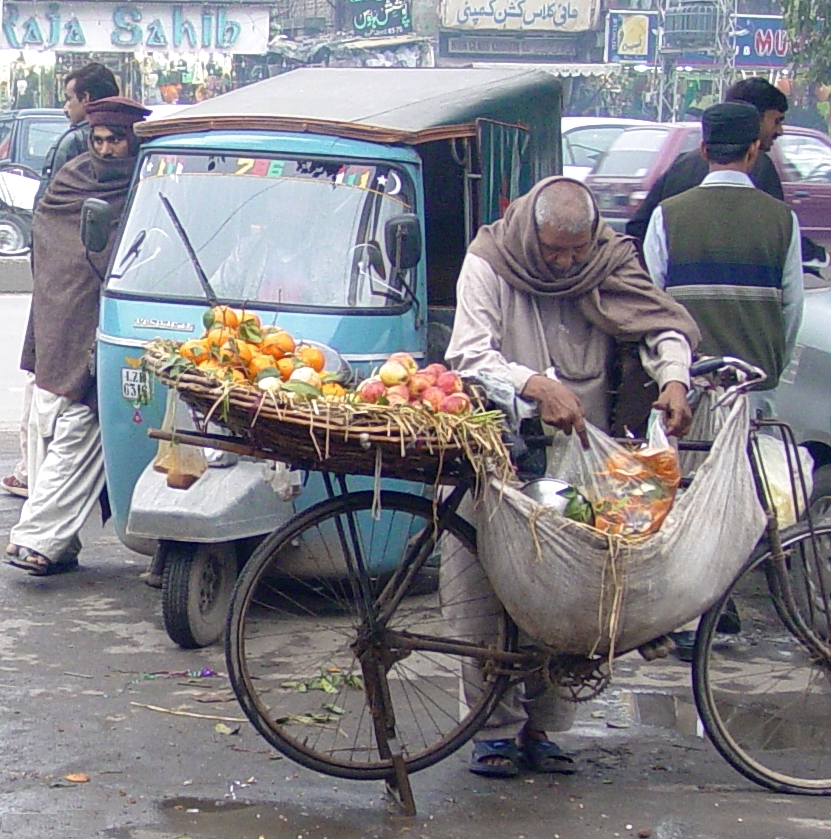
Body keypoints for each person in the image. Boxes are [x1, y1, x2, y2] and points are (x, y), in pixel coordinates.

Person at [442, 176, 701, 777]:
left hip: (587, 457)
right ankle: (492, 731)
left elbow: (660, 323)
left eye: (573, 252)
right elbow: (469, 353)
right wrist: (532, 384)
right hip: (502, 448)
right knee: (489, 596)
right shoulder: (490, 261)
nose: (563, 263)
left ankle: (543, 729)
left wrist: (674, 377)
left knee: (567, 600)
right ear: (532, 231)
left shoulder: (608, 262)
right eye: (553, 250)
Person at [6, 97, 150, 576]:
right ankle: (52, 541)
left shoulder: (145, 185)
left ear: (132, 139)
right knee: (54, 428)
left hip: (116, 326)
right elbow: (52, 245)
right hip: (62, 321)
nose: (107, 150)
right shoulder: (72, 180)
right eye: (100, 140)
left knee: (80, 427)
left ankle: (41, 539)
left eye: (116, 140)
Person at [1, 63, 119, 500]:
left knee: (64, 407)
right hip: (60, 289)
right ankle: (36, 477)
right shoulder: (77, 158)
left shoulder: (116, 165)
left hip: (87, 299)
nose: (105, 150)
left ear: (87, 100)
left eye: (69, 98)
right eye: (100, 141)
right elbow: (53, 217)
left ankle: (42, 481)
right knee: (47, 397)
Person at [643, 102, 804, 392]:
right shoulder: (783, 219)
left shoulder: (666, 215)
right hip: (755, 385)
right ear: (754, 149)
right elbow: (792, 308)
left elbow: (655, 304)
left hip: (684, 390)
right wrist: (773, 363)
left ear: (704, 150)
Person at [625, 78, 826, 265]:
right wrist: (819, 256)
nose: (780, 131)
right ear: (752, 119)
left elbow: (638, 229)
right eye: (776, 121)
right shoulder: (759, 167)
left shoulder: (683, 164)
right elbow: (778, 235)